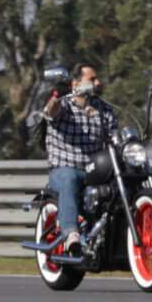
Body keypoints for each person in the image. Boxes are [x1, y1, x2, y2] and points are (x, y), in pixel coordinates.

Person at [43, 63, 119, 255]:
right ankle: (71, 234)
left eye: (97, 78)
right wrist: (56, 96)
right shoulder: (65, 105)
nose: (98, 82)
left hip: (95, 170)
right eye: (92, 79)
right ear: (76, 82)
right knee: (69, 178)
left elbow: (114, 138)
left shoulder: (104, 109)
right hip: (64, 167)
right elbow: (51, 112)